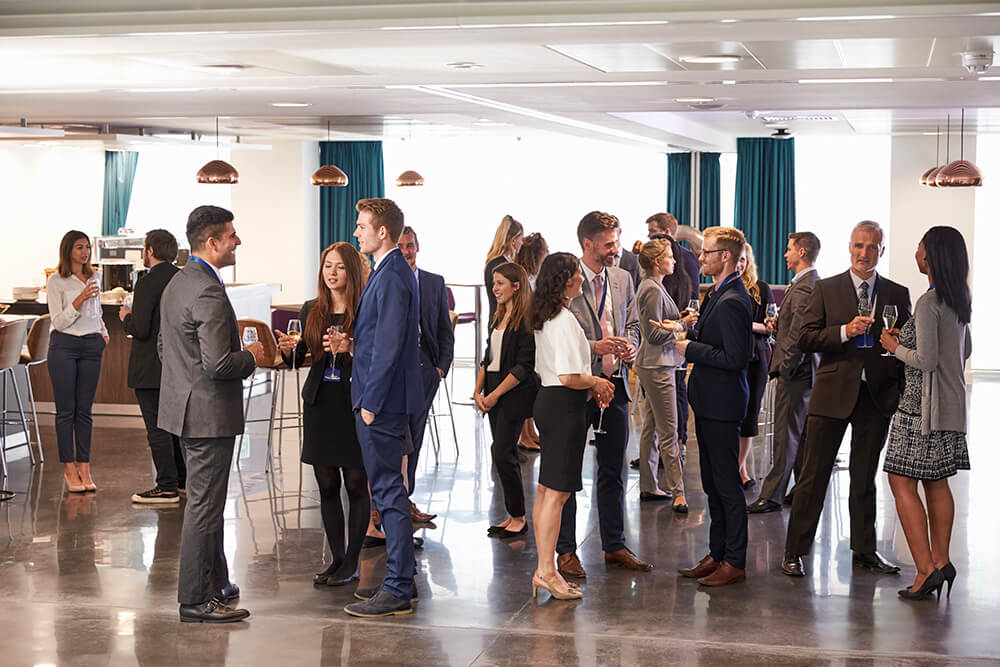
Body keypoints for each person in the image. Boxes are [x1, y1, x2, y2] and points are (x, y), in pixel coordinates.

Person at [781, 220, 912, 578]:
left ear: (881, 251)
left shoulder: (898, 293)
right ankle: (794, 551)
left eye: (872, 247)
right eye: (859, 246)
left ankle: (864, 550)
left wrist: (900, 354)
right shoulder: (826, 289)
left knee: (864, 477)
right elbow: (805, 338)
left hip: (876, 398)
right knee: (813, 477)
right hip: (831, 395)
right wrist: (844, 331)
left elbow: (907, 345)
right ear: (849, 248)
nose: (864, 253)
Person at [159, 205, 268, 623]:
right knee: (204, 507)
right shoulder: (206, 289)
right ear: (212, 242)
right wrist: (252, 356)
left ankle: (217, 582)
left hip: (185, 410)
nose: (237, 240)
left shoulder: (179, 281)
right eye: (232, 235)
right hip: (207, 414)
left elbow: (167, 349)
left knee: (208, 503)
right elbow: (219, 364)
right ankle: (194, 598)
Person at [557, 211, 652, 580]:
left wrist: (630, 343)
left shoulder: (623, 277)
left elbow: (631, 321)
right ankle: (565, 551)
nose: (617, 249)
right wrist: (595, 346)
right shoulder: (567, 280)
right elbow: (556, 333)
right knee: (566, 473)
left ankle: (614, 545)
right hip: (578, 388)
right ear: (588, 244)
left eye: (617, 241)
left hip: (616, 387)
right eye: (609, 244)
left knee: (613, 471)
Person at [879, 227, 972, 600]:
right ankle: (941, 561)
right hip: (950, 407)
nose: (916, 252)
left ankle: (924, 570)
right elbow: (963, 351)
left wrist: (892, 345)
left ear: (931, 256)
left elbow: (927, 361)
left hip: (920, 410)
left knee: (900, 482)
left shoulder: (928, 302)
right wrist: (912, 339)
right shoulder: (958, 298)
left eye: (919, 246)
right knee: (936, 482)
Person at [344, 198, 424, 618]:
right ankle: (402, 579)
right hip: (384, 400)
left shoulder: (391, 273)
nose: (356, 231)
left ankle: (395, 588)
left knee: (389, 492)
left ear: (383, 232)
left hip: (382, 404)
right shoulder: (388, 270)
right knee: (389, 490)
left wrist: (371, 403)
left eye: (362, 226)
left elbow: (390, 344)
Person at [276, 242, 370, 588]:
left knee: (357, 483)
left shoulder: (364, 310)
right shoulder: (310, 309)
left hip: (353, 401)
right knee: (327, 485)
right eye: (327, 266)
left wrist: (351, 347)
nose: (332, 273)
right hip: (320, 402)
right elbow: (305, 356)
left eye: (340, 267)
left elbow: (376, 356)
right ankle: (338, 558)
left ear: (352, 271)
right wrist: (290, 350)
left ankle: (353, 561)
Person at [670, 226, 752, 586]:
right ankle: (717, 553)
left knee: (726, 484)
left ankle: (734, 560)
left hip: (723, 402)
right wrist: (687, 332)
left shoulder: (734, 298)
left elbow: (736, 357)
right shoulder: (718, 292)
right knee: (712, 483)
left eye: (706, 253)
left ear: (726, 257)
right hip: (709, 400)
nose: (699, 258)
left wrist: (690, 349)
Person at [529, 253, 615, 599]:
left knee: (547, 490)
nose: (583, 277)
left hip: (548, 401)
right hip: (564, 406)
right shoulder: (563, 318)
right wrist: (597, 381)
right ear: (565, 280)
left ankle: (543, 568)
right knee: (558, 493)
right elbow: (568, 375)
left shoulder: (546, 315)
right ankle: (547, 571)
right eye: (578, 273)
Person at [748, 232, 821, 514]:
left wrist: (784, 368)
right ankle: (801, 491)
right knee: (799, 436)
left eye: (789, 249)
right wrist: (779, 325)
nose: (784, 254)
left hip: (796, 373)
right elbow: (795, 327)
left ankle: (772, 496)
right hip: (804, 372)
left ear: (802, 252)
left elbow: (799, 336)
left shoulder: (804, 287)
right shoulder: (808, 283)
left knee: (785, 437)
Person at [120, 229, 185, 504]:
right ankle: (182, 481)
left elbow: (141, 328)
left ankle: (166, 486)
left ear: (149, 251)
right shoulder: (182, 279)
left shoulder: (147, 283)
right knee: (174, 427)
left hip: (150, 367)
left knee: (157, 428)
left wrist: (126, 317)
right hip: (177, 366)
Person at [474, 262, 538, 538]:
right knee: (502, 453)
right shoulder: (498, 316)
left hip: (513, 392)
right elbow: (487, 359)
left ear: (516, 286)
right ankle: (514, 515)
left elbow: (524, 367)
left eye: (500, 283)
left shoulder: (526, 319)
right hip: (493, 388)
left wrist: (494, 394)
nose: (494, 288)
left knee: (502, 453)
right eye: (494, 283)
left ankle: (518, 518)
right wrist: (478, 391)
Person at [397, 226, 454, 523]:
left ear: (418, 247)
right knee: (395, 436)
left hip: (425, 367)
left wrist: (440, 368)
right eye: (401, 246)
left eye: (410, 245)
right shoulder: (387, 280)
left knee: (415, 437)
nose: (406, 252)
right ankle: (388, 503)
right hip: (394, 369)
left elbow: (445, 330)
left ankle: (406, 500)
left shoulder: (434, 283)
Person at [46, 231, 109, 493]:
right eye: (79, 247)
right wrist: (79, 299)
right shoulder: (56, 281)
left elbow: (97, 310)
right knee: (66, 410)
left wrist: (103, 331)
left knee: (85, 410)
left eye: (87, 247)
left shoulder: (95, 275)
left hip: (92, 345)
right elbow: (58, 322)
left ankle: (85, 466)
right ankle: (69, 468)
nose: (84, 252)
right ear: (68, 251)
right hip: (65, 346)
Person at [632, 239, 689, 513]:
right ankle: (679, 493)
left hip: (654, 364)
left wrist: (677, 321)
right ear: (657, 262)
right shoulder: (652, 290)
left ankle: (649, 484)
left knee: (652, 427)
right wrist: (682, 324)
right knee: (669, 431)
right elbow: (654, 335)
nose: (675, 261)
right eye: (669, 257)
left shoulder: (653, 286)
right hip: (657, 365)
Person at [647, 213, 700, 457]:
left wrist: (678, 323)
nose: (650, 237)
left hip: (672, 339)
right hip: (673, 333)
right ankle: (666, 448)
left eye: (653, 232)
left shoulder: (683, 260)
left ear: (667, 232)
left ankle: (674, 446)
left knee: (674, 393)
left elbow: (689, 299)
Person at [735, 243, 775, 490]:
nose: (740, 265)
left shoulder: (761, 289)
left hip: (755, 359)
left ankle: (740, 469)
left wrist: (747, 325)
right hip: (728, 360)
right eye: (737, 260)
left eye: (744, 260)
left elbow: (771, 326)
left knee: (749, 416)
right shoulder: (720, 289)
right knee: (731, 416)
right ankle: (738, 469)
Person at [514, 232, 548, 450]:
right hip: (526, 336)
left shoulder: (533, 277)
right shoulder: (525, 279)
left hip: (534, 332)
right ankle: (523, 435)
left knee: (532, 388)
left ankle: (530, 431)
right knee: (527, 388)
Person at [484, 215, 524, 326]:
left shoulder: (501, 262)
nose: (522, 243)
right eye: (521, 239)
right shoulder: (500, 265)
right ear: (513, 240)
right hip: (502, 323)